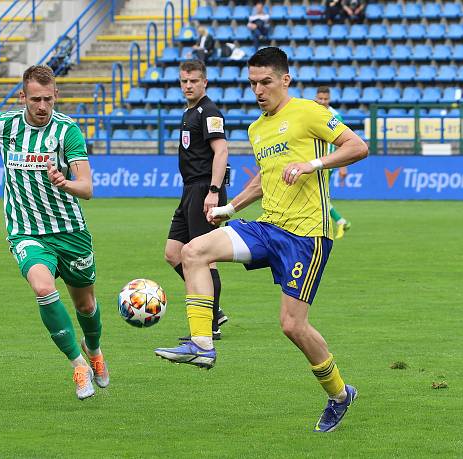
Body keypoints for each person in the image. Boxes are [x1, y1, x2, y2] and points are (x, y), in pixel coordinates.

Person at [155, 47, 369, 432]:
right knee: (193, 251)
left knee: (292, 326)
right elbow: (263, 178)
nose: (258, 89)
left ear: (285, 79)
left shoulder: (310, 112)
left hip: (307, 235)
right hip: (268, 227)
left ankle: (340, 394)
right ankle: (202, 344)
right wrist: (229, 208)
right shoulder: (257, 128)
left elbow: (358, 146)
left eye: (265, 82)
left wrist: (312, 164)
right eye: (252, 83)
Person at [0, 65, 109, 401]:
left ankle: (93, 350)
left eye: (48, 100)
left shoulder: (67, 132)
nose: (41, 106)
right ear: (22, 96)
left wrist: (66, 182)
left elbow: (88, 187)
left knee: (86, 305)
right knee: (42, 287)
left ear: (56, 97)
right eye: (35, 99)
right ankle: (78, 364)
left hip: (70, 231)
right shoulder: (5, 124)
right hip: (26, 232)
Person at [166, 60, 230, 341]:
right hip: (189, 190)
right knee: (173, 253)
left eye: (193, 80)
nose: (188, 85)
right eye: (184, 81)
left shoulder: (209, 111)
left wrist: (214, 191)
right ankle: (213, 308)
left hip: (205, 190)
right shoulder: (188, 112)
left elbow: (221, 151)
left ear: (204, 82)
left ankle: (211, 321)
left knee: (205, 258)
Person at [314, 86, 352, 239]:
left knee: (318, 195)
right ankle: (339, 221)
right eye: (320, 98)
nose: (323, 101)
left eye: (326, 99)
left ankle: (337, 222)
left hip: (327, 163)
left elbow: (343, 144)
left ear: (329, 99)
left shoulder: (336, 116)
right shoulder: (312, 111)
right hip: (314, 161)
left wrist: (343, 166)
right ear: (316, 97)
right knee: (318, 195)